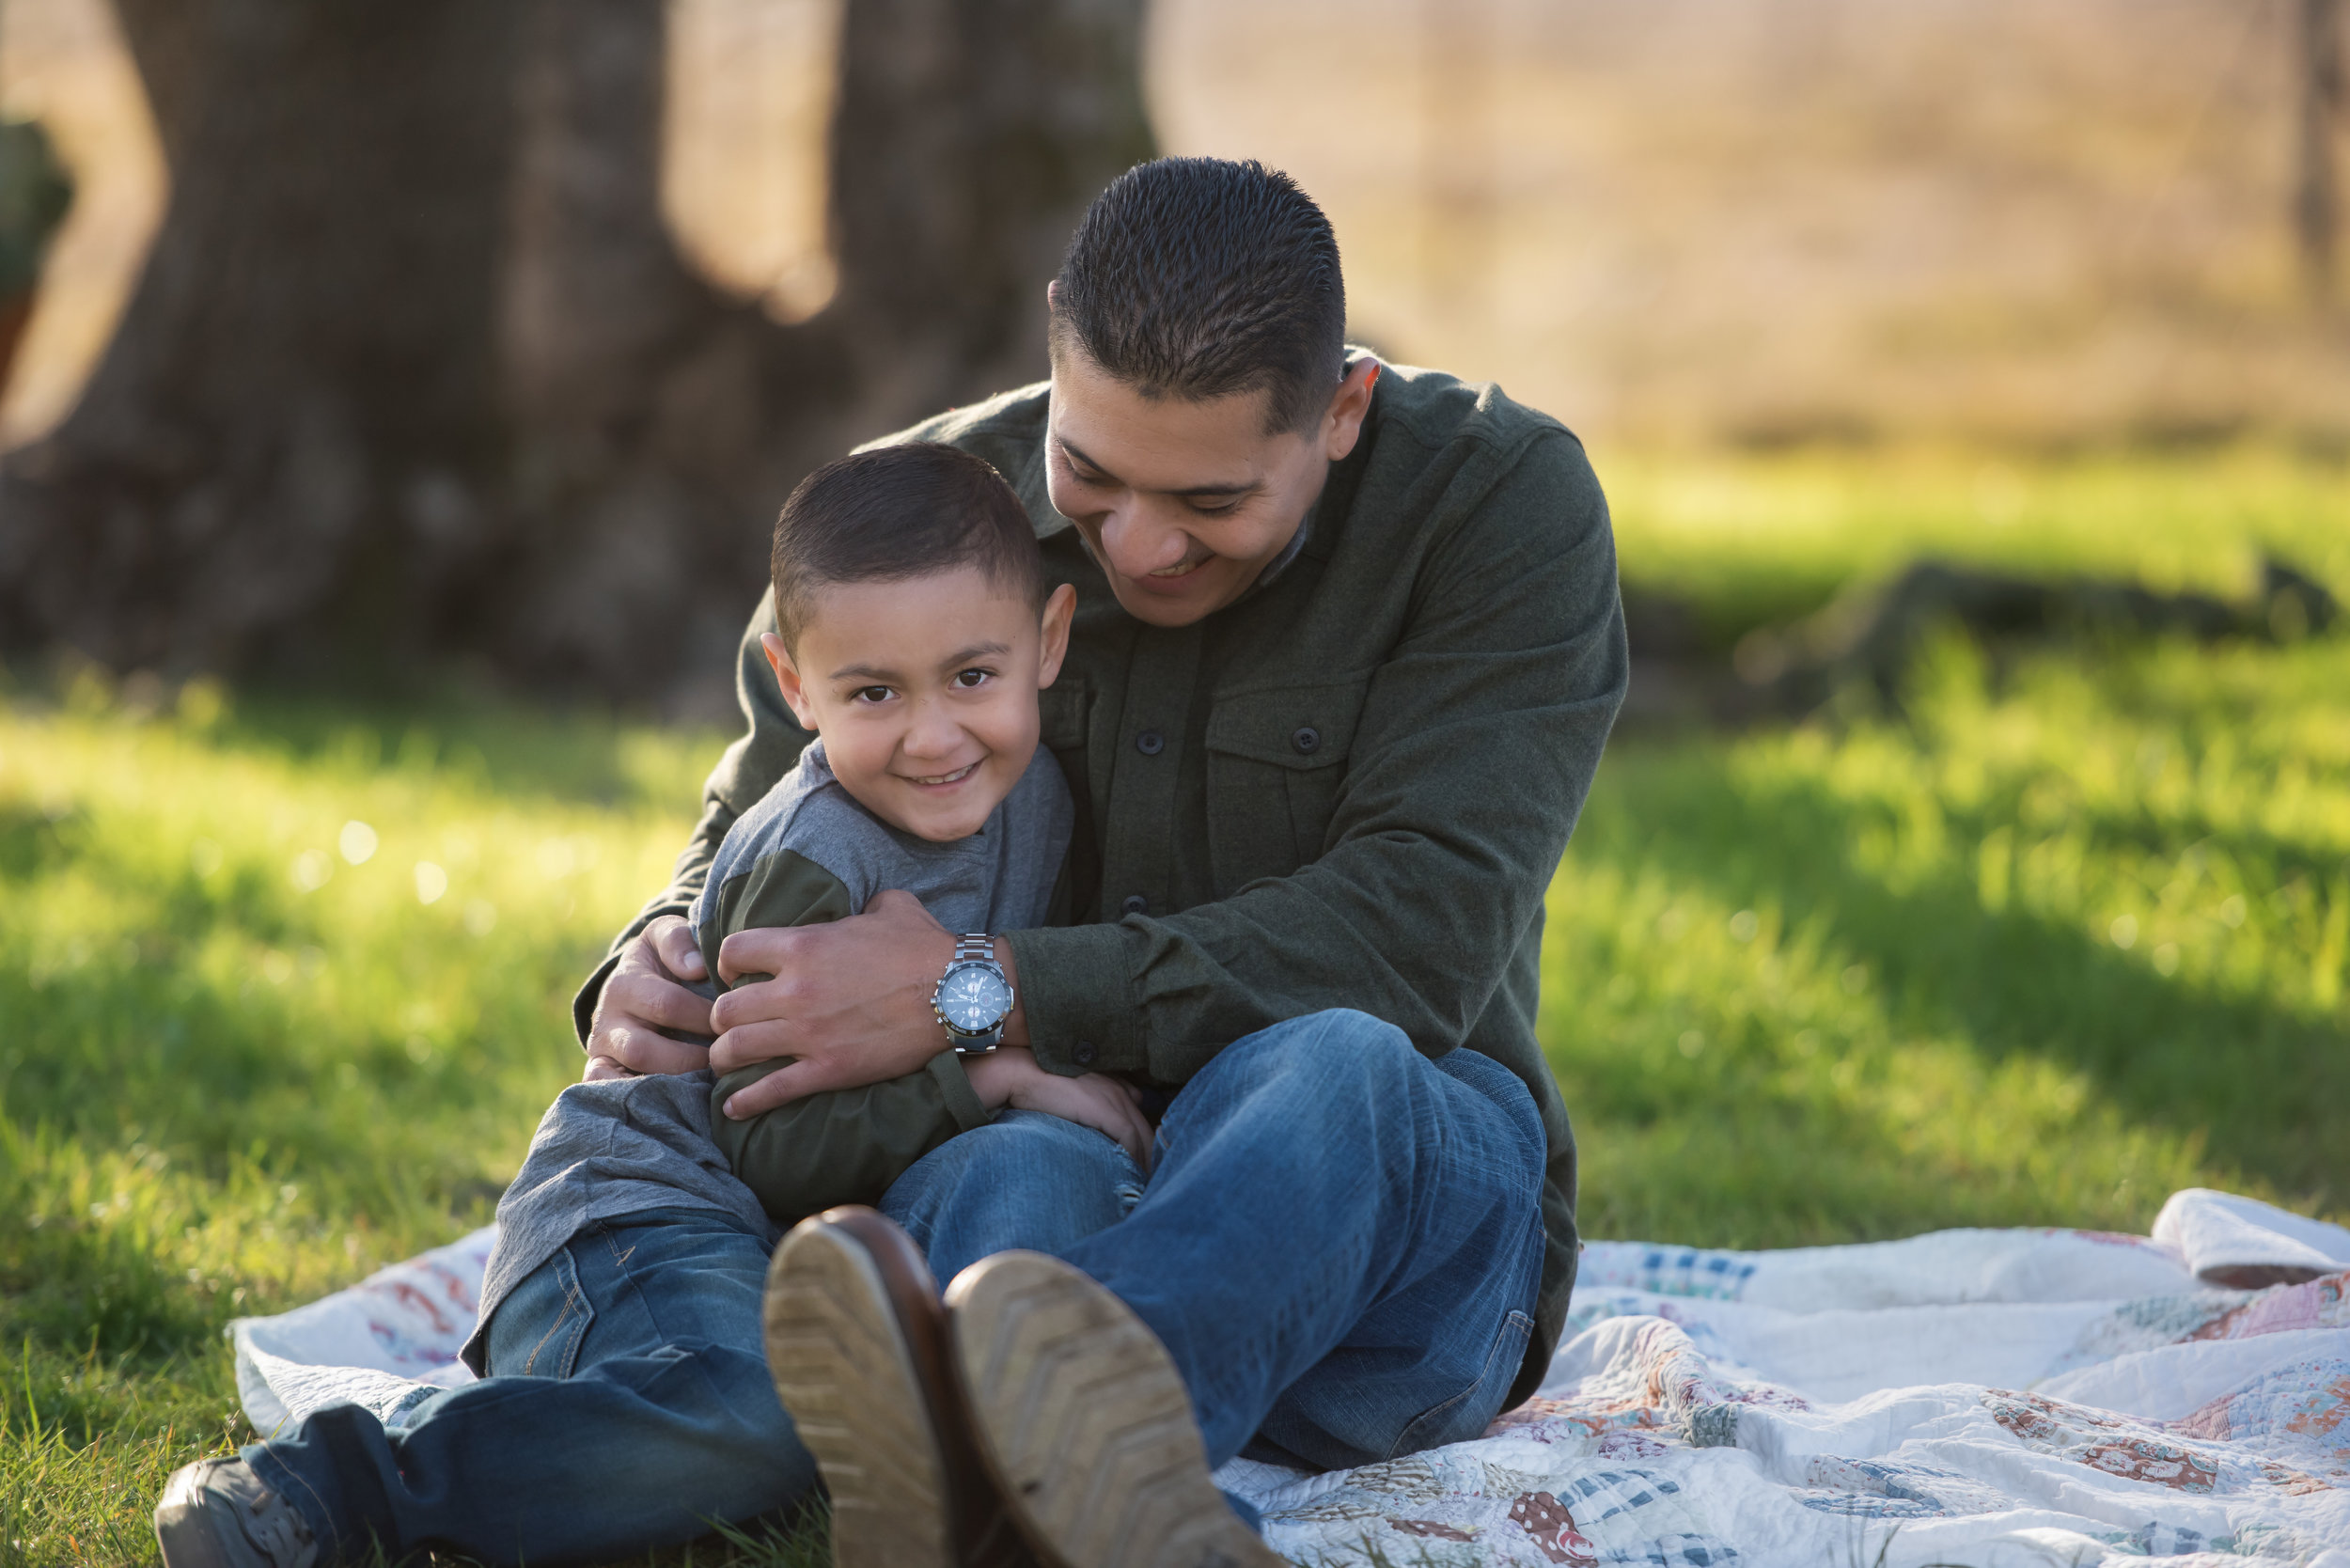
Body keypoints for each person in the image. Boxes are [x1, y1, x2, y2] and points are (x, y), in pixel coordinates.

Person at [155, 155, 1626, 1568]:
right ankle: (1039, 1486)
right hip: (1012, 1197)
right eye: (1095, 477)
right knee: (1016, 1174)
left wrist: (976, 994)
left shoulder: (1496, 508)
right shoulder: (933, 518)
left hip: (1378, 1257)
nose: (1139, 548)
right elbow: (753, 813)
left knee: (1342, 1063)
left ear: (1344, 411)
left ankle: (1061, 1442)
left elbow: (1422, 932)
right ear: (1057, 368)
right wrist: (661, 959)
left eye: (1213, 505)